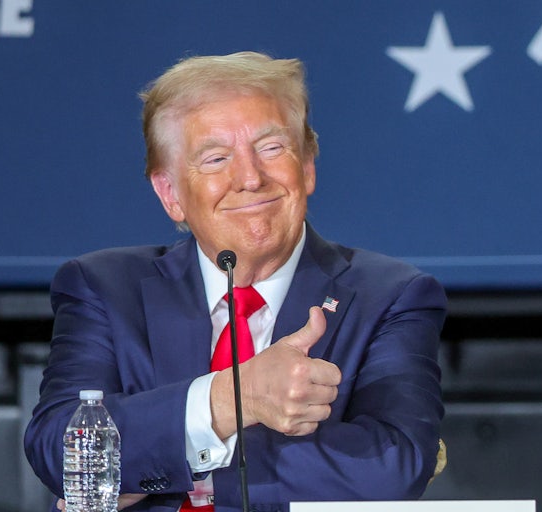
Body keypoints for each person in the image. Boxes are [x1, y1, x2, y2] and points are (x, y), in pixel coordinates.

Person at [24, 51, 447, 512]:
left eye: (271, 148)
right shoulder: (104, 287)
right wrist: (231, 398)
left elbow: (394, 469)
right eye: (215, 158)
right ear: (170, 194)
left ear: (306, 167)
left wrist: (159, 464)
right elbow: (64, 451)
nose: (249, 178)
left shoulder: (388, 295)